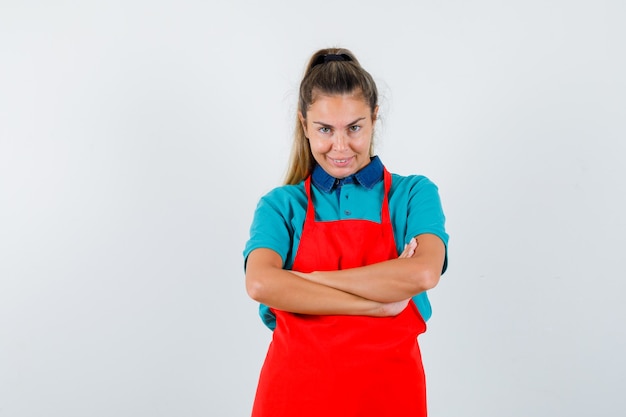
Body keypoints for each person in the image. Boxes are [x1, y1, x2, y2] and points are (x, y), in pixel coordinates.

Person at [243, 47, 448, 417]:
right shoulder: (281, 205)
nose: (340, 147)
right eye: (325, 129)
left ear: (374, 119)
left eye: (354, 127)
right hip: (292, 399)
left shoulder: (413, 194)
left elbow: (422, 272)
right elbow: (260, 284)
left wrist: (305, 280)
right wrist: (376, 303)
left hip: (389, 398)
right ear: (304, 125)